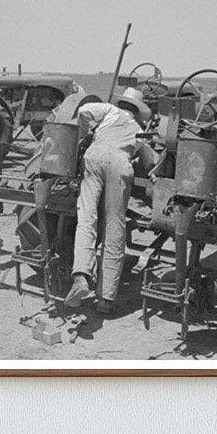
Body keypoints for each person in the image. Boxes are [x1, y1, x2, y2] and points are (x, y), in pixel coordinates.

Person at [64, 88, 155, 313]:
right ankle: (106, 298)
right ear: (138, 110)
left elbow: (84, 109)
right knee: (115, 225)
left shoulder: (110, 110)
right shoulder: (139, 130)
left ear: (123, 103)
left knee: (87, 218)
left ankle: (81, 276)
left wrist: (86, 134)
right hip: (120, 164)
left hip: (94, 157)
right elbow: (149, 163)